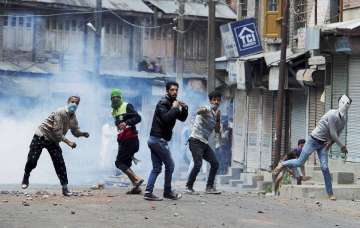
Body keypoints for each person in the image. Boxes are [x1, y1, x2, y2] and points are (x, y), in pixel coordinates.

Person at [273, 95, 352, 200]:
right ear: (342, 103)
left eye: (349, 105)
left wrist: (329, 145)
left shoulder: (343, 120)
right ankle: (282, 164)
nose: (347, 106)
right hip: (313, 140)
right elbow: (333, 134)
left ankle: (330, 193)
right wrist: (342, 146)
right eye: (347, 103)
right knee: (299, 162)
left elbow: (336, 134)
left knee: (325, 167)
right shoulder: (332, 115)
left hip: (323, 144)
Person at [21, 96, 90, 196]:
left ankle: (65, 188)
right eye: (72, 102)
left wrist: (82, 134)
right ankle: (26, 175)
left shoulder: (73, 117)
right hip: (41, 135)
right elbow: (57, 131)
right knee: (32, 160)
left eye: (77, 103)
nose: (74, 104)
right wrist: (69, 142)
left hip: (53, 141)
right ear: (68, 102)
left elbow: (75, 131)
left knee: (59, 163)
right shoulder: (60, 112)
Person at [144, 81, 188, 201]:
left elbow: (182, 118)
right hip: (158, 140)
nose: (174, 92)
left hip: (155, 140)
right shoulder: (163, 103)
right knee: (170, 165)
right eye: (172, 90)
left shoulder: (171, 103)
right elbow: (166, 119)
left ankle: (148, 192)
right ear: (167, 91)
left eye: (176, 90)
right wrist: (174, 107)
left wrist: (184, 108)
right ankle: (167, 192)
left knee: (157, 168)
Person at [185, 91, 222, 194]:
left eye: (218, 100)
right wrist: (203, 109)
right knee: (198, 164)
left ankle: (209, 187)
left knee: (215, 163)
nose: (216, 102)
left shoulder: (216, 114)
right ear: (210, 101)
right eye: (214, 100)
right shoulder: (206, 109)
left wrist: (218, 119)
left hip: (204, 143)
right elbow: (199, 111)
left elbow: (217, 130)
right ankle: (189, 187)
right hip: (195, 140)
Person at [111, 88, 144, 194]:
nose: (115, 99)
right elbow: (119, 127)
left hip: (130, 139)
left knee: (119, 162)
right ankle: (136, 187)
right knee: (126, 164)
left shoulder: (127, 105)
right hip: (123, 140)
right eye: (112, 98)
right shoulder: (114, 110)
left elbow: (138, 118)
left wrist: (127, 122)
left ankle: (136, 178)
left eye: (117, 97)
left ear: (120, 97)